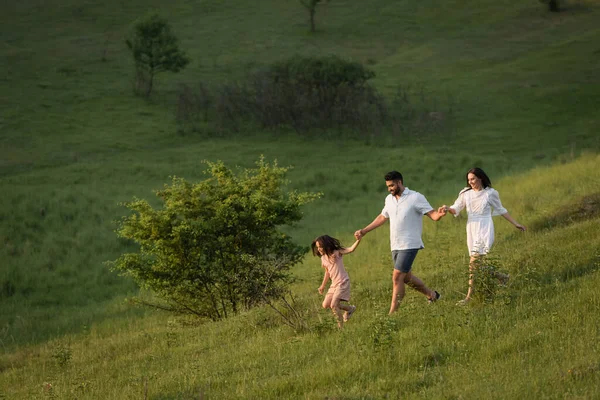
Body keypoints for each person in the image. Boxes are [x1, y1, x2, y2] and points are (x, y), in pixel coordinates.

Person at [354, 171, 446, 314]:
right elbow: (382, 217)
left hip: (410, 244)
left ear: (399, 182)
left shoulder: (415, 197)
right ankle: (432, 295)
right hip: (395, 244)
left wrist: (439, 214)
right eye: (387, 186)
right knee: (407, 278)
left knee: (397, 277)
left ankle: (392, 315)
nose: (389, 188)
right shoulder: (389, 199)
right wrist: (364, 231)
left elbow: (433, 215)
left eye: (391, 185)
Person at [439, 167, 526, 305]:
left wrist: (516, 223)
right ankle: (502, 277)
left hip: (484, 227)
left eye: (473, 179)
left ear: (480, 178)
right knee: (477, 264)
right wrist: (447, 208)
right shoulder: (465, 193)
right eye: (469, 180)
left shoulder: (490, 193)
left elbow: (501, 210)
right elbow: (456, 207)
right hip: (471, 228)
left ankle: (468, 297)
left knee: (473, 263)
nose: (471, 182)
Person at [312, 235, 361, 329]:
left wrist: (358, 240)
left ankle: (340, 329)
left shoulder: (337, 252)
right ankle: (350, 309)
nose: (319, 249)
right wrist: (322, 286)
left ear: (326, 245)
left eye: (320, 246)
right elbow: (327, 272)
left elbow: (351, 249)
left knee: (334, 305)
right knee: (325, 305)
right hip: (334, 284)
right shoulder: (323, 258)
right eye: (317, 247)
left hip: (342, 282)